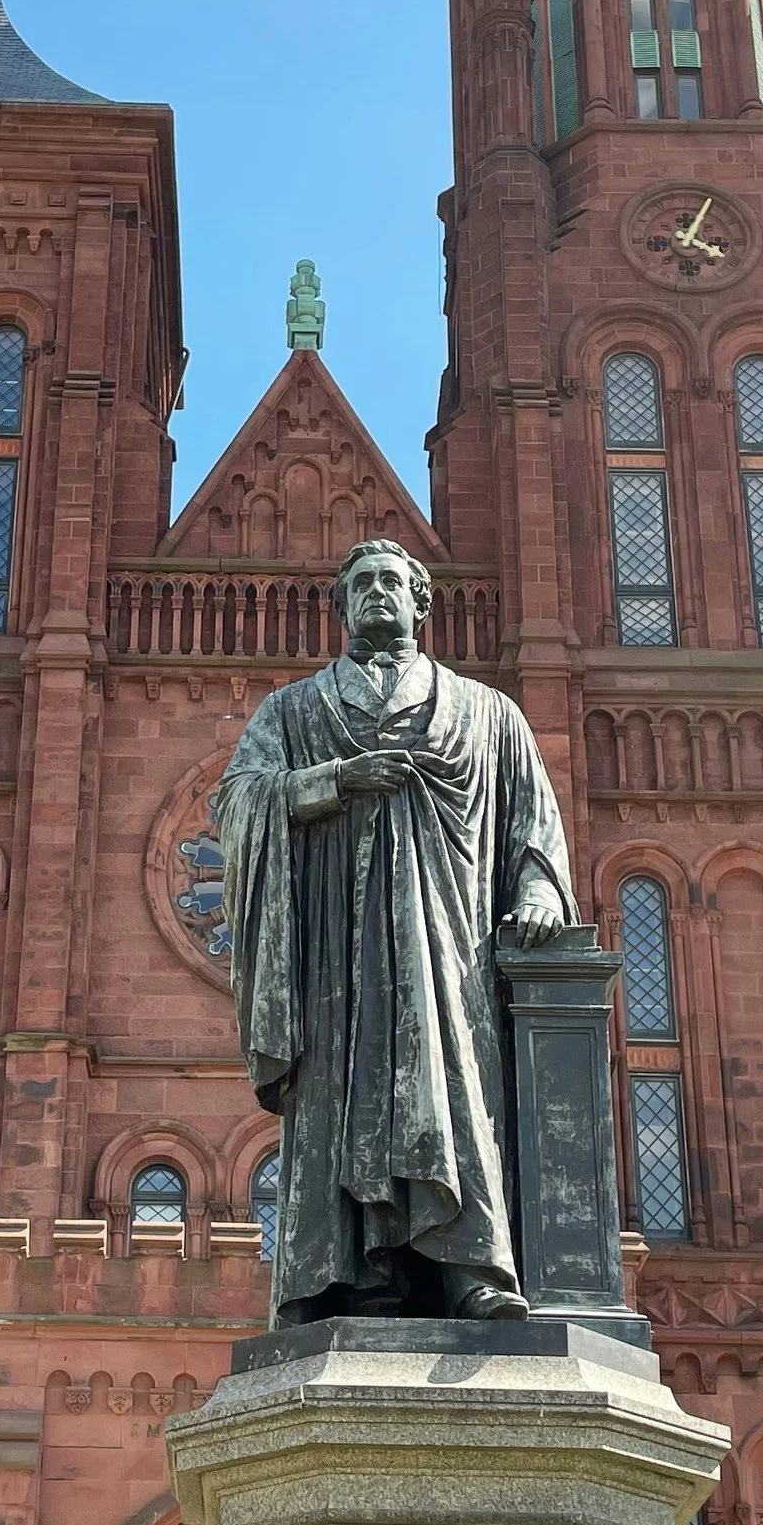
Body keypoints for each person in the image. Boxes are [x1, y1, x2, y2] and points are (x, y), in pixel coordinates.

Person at [218, 536, 576, 1325]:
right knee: (339, 1103)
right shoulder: (293, 712)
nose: (378, 593)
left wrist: (542, 890)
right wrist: (335, 780)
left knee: (451, 1096)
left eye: (392, 582)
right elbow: (237, 800)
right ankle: (349, 1275)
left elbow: (535, 826)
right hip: (333, 965)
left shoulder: (489, 715)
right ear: (342, 608)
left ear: (421, 603)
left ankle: (471, 1270)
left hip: (449, 960)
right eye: (362, 584)